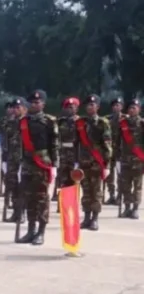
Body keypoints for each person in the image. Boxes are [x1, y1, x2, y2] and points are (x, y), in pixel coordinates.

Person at [17, 90, 59, 245]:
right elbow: (19, 144)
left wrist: (55, 165)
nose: (34, 105)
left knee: (41, 198)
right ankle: (30, 229)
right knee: (29, 197)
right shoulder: (23, 121)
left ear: (43, 104)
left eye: (37, 102)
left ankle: (41, 231)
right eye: (32, 103)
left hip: (43, 162)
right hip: (27, 162)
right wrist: (18, 164)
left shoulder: (49, 121)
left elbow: (54, 144)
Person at [75, 94, 112, 230]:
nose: (90, 107)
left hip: (97, 162)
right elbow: (76, 142)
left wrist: (107, 165)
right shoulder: (80, 123)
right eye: (88, 105)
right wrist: (75, 161)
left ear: (98, 107)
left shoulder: (103, 123)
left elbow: (107, 144)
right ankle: (86, 217)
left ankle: (95, 218)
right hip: (84, 162)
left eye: (92, 105)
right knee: (85, 191)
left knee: (96, 191)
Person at [116, 98, 144, 219]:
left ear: (139, 109)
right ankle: (127, 207)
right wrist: (116, 157)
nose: (132, 110)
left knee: (137, 185)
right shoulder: (123, 123)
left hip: (138, 160)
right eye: (130, 108)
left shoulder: (142, 124)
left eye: (134, 107)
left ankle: (135, 208)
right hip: (125, 159)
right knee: (125, 185)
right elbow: (117, 141)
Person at [2, 99, 27, 223]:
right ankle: (16, 212)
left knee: (23, 187)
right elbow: (6, 142)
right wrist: (4, 160)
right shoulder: (9, 123)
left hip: (25, 159)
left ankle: (22, 212)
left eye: (18, 107)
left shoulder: (28, 122)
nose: (16, 110)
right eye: (14, 107)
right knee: (12, 186)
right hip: (12, 159)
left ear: (24, 108)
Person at [54, 97, 80, 203]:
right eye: (68, 107)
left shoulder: (81, 122)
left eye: (73, 107)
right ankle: (62, 203)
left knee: (74, 180)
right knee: (61, 179)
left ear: (77, 109)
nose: (70, 109)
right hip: (62, 154)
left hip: (75, 154)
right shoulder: (60, 122)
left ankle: (72, 203)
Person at [107, 98, 124, 205]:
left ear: (121, 107)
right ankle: (111, 194)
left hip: (120, 152)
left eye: (118, 105)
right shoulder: (107, 119)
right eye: (114, 105)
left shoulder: (125, 119)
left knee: (120, 175)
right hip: (110, 151)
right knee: (109, 174)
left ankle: (119, 195)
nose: (116, 107)